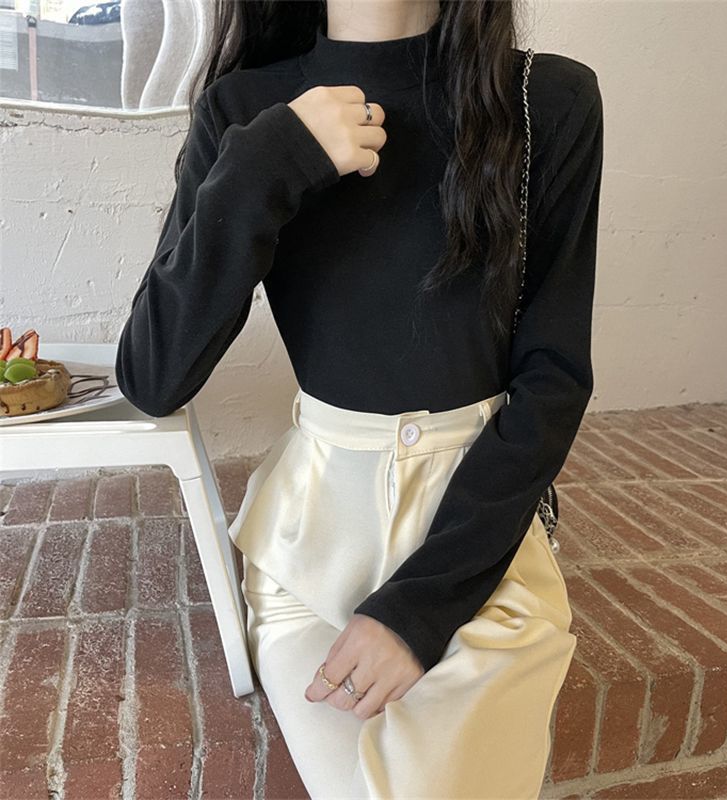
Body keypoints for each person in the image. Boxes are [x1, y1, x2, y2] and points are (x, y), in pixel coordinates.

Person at [115, 0, 604, 796]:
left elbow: (554, 376)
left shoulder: (546, 101)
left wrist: (420, 610)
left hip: (477, 545)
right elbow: (152, 374)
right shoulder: (246, 110)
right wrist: (270, 161)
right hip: (310, 543)